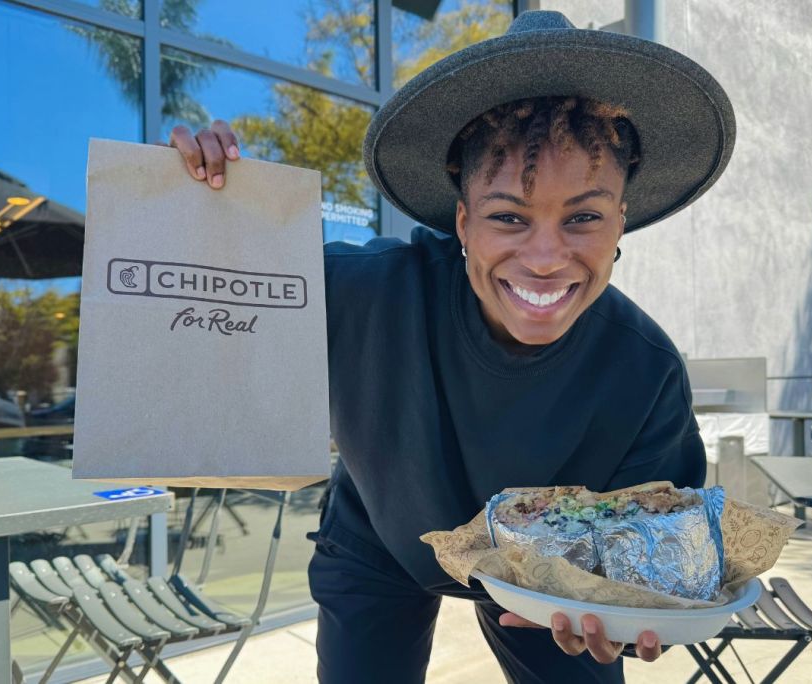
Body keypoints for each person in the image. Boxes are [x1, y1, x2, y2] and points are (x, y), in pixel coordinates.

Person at [164, 10, 735, 683]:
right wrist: (197, 201)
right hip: (380, 538)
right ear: (462, 222)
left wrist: (638, 615)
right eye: (508, 218)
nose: (547, 257)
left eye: (582, 216)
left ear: (620, 222)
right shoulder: (368, 293)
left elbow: (665, 558)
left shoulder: (645, 372)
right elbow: (219, 296)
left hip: (546, 576)